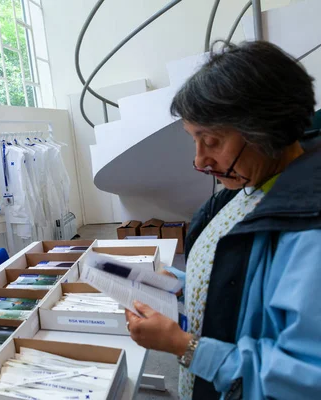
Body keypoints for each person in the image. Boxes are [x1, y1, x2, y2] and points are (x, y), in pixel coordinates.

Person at [124, 41, 321, 399]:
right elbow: (244, 280)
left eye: (211, 141)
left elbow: (305, 378)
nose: (200, 162)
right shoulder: (250, 186)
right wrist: (182, 283)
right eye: (195, 141)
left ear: (264, 129)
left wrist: (184, 346)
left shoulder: (310, 233)